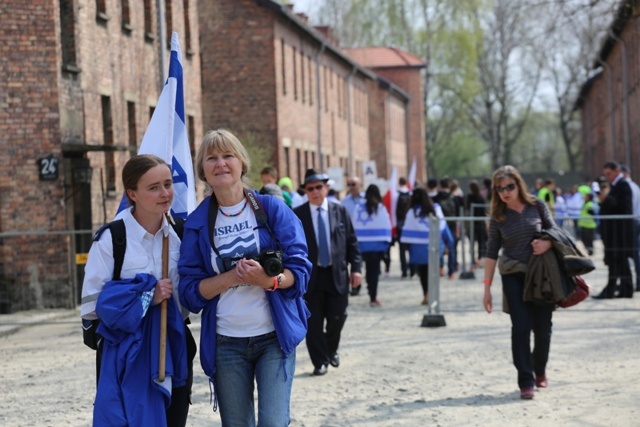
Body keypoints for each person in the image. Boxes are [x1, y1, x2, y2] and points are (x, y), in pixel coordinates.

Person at [178, 129, 312, 426]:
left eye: (228, 156)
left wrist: (267, 280)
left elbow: (300, 271)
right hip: (226, 342)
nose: (220, 164)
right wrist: (231, 278)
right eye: (211, 158)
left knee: (274, 422)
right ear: (202, 170)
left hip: (273, 337)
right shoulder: (197, 224)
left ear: (242, 163)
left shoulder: (271, 209)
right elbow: (188, 291)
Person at [81, 154, 194, 426]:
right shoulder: (112, 239)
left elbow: (191, 294)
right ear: (132, 193)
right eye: (153, 187)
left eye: (168, 184)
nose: (165, 193)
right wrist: (146, 298)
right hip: (127, 355)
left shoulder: (181, 234)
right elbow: (93, 307)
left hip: (175, 345)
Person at [482, 165, 555, 400]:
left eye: (510, 187)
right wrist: (487, 289)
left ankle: (540, 369)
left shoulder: (537, 206)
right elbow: (492, 253)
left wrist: (547, 243)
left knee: (543, 330)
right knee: (521, 327)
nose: (505, 192)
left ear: (519, 185)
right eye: (500, 188)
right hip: (513, 275)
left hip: (541, 275)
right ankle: (526, 380)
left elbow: (555, 231)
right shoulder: (498, 216)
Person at [294, 168, 362, 376]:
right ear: (305, 190)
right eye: (310, 188)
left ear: (326, 187)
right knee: (313, 323)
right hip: (311, 278)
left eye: (319, 187)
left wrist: (357, 269)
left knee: (338, 317)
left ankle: (331, 349)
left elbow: (351, 241)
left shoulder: (339, 210)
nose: (315, 192)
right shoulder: (298, 215)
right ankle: (320, 361)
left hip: (336, 274)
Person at [400, 187, 449, 305]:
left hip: (417, 247)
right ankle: (432, 294)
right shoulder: (435, 209)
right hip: (434, 244)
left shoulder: (412, 212)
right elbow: (443, 226)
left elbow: (406, 229)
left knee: (422, 272)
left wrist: (406, 247)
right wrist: (448, 242)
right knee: (433, 271)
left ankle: (426, 294)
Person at [593, 161, 634, 299]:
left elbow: (623, 205)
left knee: (617, 259)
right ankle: (626, 288)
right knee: (619, 260)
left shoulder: (623, 185)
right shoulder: (615, 185)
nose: (608, 177)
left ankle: (612, 289)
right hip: (614, 231)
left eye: (609, 174)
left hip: (619, 231)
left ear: (617, 171)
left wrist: (606, 199)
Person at [350, 184, 392, 306]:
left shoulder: (358, 208)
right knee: (373, 271)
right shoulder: (380, 208)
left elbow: (353, 225)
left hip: (361, 245)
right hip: (377, 245)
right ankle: (373, 296)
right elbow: (387, 225)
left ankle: (358, 288)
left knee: (361, 268)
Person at [620, 164, 640, 291]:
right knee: (636, 252)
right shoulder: (635, 186)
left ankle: (633, 282)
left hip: (631, 222)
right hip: (636, 220)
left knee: (632, 253)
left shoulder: (625, 186)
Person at [466, 180, 487, 268]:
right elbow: (484, 211)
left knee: (472, 243)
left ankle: (473, 261)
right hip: (480, 222)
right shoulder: (481, 197)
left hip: (472, 222)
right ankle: (479, 259)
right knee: (481, 242)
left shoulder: (469, 197)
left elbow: (466, 207)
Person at [396, 177, 413, 278]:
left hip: (400, 224)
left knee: (401, 249)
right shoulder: (411, 195)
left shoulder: (396, 195)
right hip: (410, 224)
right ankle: (412, 269)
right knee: (410, 247)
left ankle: (404, 270)